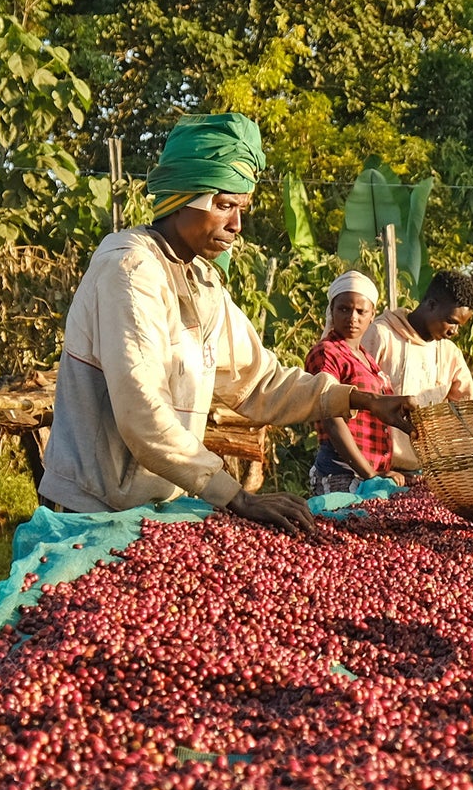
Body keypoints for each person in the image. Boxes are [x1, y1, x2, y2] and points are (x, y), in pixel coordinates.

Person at [40, 113, 414, 532]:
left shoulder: (202, 281)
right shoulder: (130, 270)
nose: (236, 224)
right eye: (223, 206)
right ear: (182, 197)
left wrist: (363, 401)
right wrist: (236, 496)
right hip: (93, 509)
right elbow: (143, 413)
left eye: (240, 208)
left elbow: (259, 383)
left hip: (155, 506)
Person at [363, 270, 473, 471]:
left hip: (426, 472)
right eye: (451, 321)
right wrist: (372, 471)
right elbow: (354, 399)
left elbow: (467, 413)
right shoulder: (382, 335)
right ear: (431, 305)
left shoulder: (450, 354)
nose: (454, 332)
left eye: (460, 326)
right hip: (374, 469)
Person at [304, 272, 400, 494]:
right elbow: (331, 415)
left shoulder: (366, 359)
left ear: (372, 314)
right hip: (342, 470)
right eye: (344, 309)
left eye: (361, 311)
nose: (352, 318)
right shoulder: (326, 353)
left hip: (368, 470)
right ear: (332, 310)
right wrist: (369, 474)